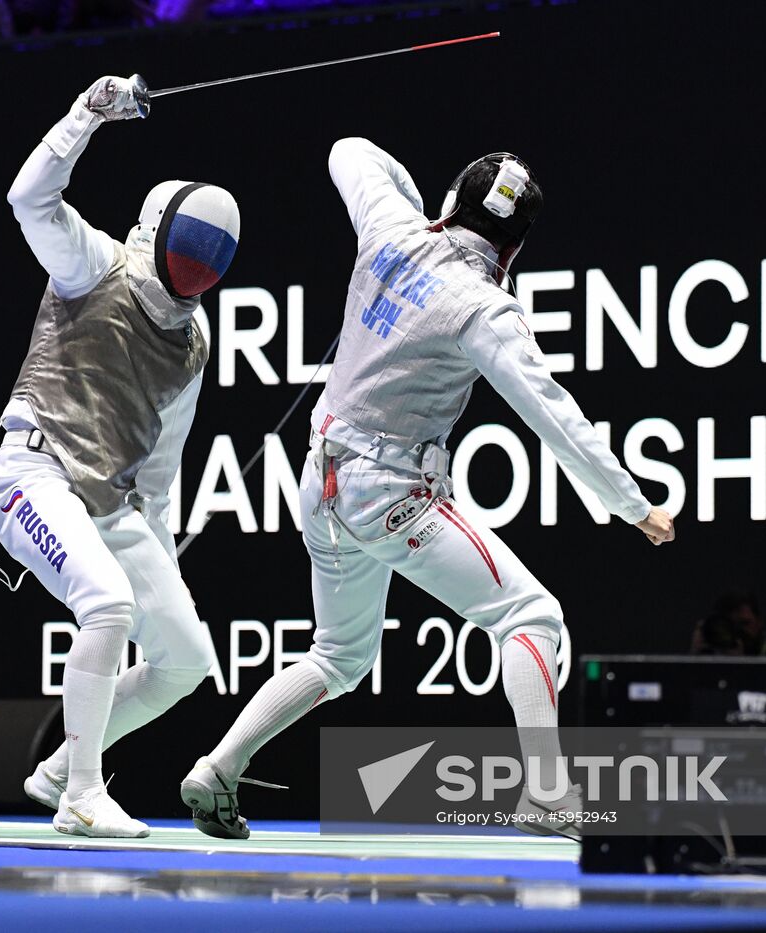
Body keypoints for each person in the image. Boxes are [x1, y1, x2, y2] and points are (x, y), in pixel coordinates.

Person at [182, 138, 674, 841]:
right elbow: (555, 418)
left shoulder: (390, 224)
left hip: (320, 482)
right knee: (532, 616)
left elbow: (348, 150)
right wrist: (635, 505)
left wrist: (416, 211)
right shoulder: (483, 307)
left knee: (340, 655)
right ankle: (547, 794)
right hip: (390, 495)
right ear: (515, 246)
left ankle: (219, 767)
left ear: (451, 203)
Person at [0, 75, 239, 838]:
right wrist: (84, 116)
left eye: (209, 259)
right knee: (107, 604)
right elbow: (29, 199)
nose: (196, 266)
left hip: (108, 502)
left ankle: (63, 766)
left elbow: (159, 472)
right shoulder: (94, 264)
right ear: (157, 230)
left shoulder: (193, 338)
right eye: (190, 250)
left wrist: (162, 559)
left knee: (185, 656)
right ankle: (83, 796)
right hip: (32, 473)